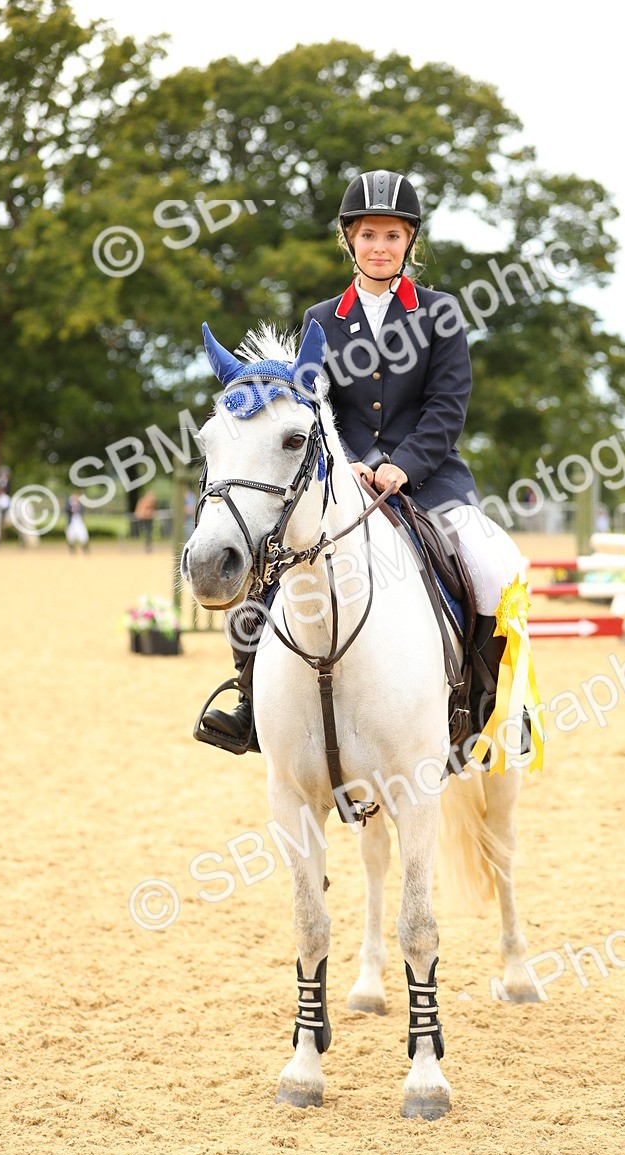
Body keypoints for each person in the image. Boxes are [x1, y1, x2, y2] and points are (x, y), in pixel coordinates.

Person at [198, 168, 526, 756]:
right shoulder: (321, 319)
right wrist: (346, 462)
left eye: (392, 236)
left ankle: (490, 704)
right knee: (266, 566)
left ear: (409, 242)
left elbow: (447, 405)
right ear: (350, 239)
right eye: (369, 235)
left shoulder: (440, 313)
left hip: (429, 478)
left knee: (491, 564)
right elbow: (312, 407)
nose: (380, 247)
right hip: (339, 479)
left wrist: (405, 464)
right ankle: (248, 701)